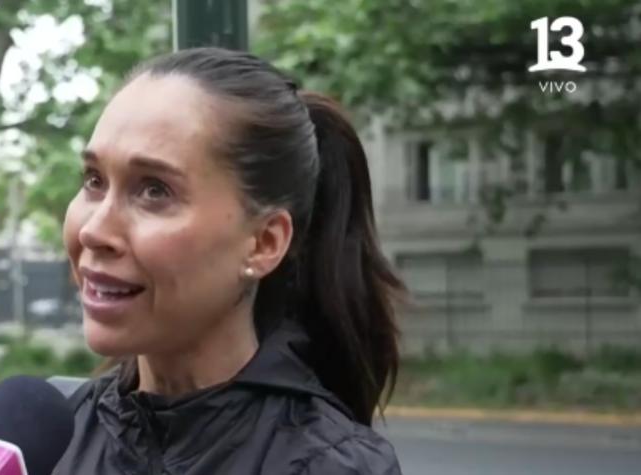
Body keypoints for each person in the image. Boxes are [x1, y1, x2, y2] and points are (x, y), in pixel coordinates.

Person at [55, 47, 405, 475]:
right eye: (94, 180)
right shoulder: (50, 440)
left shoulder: (327, 467)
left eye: (154, 190)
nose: (93, 231)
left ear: (263, 242)